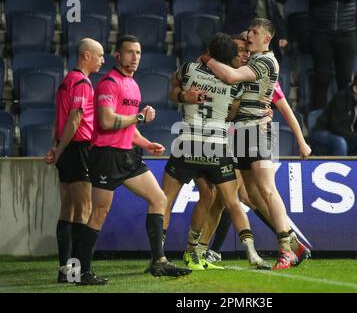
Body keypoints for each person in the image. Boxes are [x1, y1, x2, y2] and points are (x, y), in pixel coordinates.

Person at [76, 35, 191, 285]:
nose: (135, 58)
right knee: (99, 213)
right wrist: (140, 117)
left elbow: (128, 125)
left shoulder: (133, 85)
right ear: (117, 55)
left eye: (138, 53)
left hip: (128, 155)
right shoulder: (108, 83)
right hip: (105, 156)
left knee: (159, 198)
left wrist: (146, 143)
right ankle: (82, 272)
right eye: (129, 53)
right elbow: (107, 122)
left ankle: (158, 261)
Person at [204, 18, 311, 270]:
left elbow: (231, 77)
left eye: (255, 32)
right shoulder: (251, 60)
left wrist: (206, 58)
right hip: (240, 134)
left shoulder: (264, 62)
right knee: (248, 195)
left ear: (267, 38)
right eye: (249, 31)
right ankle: (293, 242)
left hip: (257, 132)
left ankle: (286, 249)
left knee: (265, 190)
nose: (249, 35)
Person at [163, 32, 271, 271]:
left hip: (187, 142)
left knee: (167, 199)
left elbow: (172, 84)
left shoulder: (189, 68)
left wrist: (184, 95)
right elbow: (233, 114)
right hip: (217, 145)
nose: (242, 55)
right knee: (231, 201)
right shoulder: (236, 82)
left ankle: (159, 255)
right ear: (230, 55)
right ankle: (251, 254)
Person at [44, 38, 104, 283]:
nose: (102, 60)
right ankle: (78, 274)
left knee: (67, 210)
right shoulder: (82, 82)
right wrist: (58, 150)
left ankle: (65, 272)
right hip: (78, 149)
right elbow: (74, 118)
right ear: (86, 56)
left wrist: (55, 147)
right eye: (99, 56)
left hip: (66, 148)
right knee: (84, 211)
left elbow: (57, 119)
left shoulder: (66, 81)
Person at [308, 0, 357, 110]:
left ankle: (343, 116)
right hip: (321, 33)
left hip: (347, 33)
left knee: (345, 79)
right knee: (322, 78)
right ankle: (317, 117)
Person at [310, 71, 357, 156]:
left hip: (345, 136)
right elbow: (335, 126)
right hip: (323, 133)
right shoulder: (341, 98)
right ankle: (340, 169)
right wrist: (356, 139)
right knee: (340, 143)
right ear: (355, 89)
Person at [221, 0, 288, 61]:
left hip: (264, 38)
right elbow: (233, 9)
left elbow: (275, 15)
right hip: (242, 35)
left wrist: (282, 36)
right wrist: (245, 32)